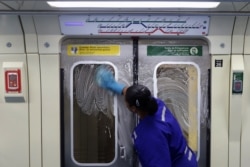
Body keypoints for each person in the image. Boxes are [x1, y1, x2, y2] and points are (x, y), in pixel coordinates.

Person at [95, 66, 198, 167]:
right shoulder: (158, 105)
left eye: (126, 102)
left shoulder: (149, 136)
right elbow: (135, 95)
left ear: (133, 108)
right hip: (186, 159)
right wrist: (114, 86)